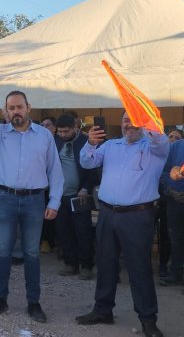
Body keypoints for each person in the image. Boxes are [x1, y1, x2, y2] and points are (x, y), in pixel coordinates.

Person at [0, 85, 63, 323]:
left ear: (28, 108)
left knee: (31, 254)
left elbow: (55, 171)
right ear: (6, 111)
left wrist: (54, 201)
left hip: (35, 200)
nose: (15, 111)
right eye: (11, 108)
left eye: (19, 107)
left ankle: (34, 302)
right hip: (6, 199)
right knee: (3, 251)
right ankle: (0, 298)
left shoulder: (45, 136)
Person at [75, 112, 168, 337]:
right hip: (107, 213)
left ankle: (148, 320)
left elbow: (158, 136)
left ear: (144, 124)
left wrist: (145, 116)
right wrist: (90, 142)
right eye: (126, 119)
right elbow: (87, 161)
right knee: (105, 265)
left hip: (137, 217)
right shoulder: (110, 146)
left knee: (139, 269)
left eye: (135, 119)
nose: (129, 124)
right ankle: (102, 310)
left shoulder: (155, 147)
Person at [54, 113, 96, 280]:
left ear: (75, 128)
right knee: (63, 231)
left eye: (66, 131)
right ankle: (70, 263)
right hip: (59, 195)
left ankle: (86, 266)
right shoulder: (55, 141)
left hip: (80, 195)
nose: (63, 134)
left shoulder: (85, 142)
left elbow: (93, 169)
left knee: (83, 231)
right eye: (60, 132)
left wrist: (86, 188)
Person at [159, 136, 184, 287]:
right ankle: (175, 273)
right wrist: (171, 190)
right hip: (174, 201)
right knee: (175, 238)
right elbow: (163, 171)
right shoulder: (175, 147)